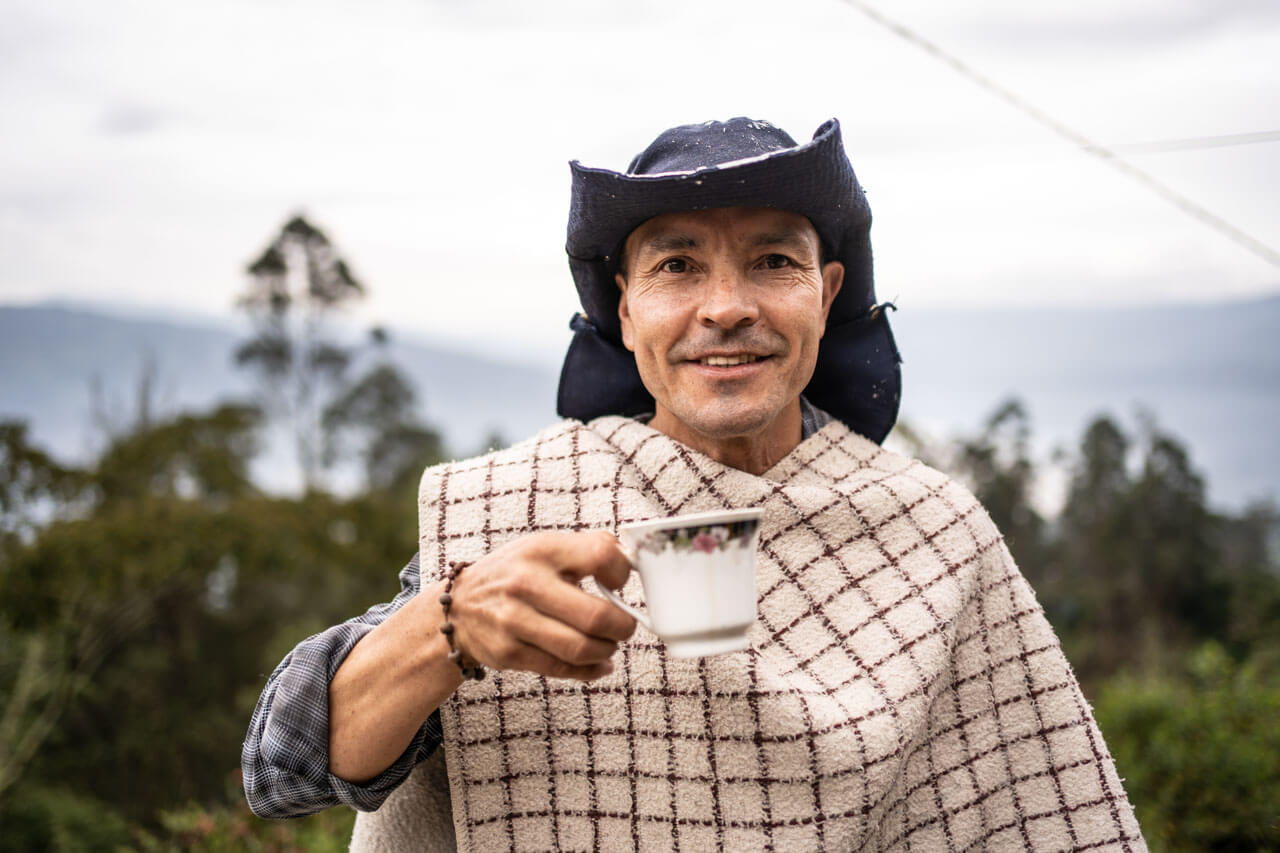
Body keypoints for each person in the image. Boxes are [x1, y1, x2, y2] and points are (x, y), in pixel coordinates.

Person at [243, 117, 1145, 851]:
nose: (726, 306)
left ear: (825, 297)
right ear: (624, 307)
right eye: (677, 265)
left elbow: (1040, 810)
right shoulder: (518, 512)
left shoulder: (931, 532)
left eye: (772, 261)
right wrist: (451, 625)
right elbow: (281, 771)